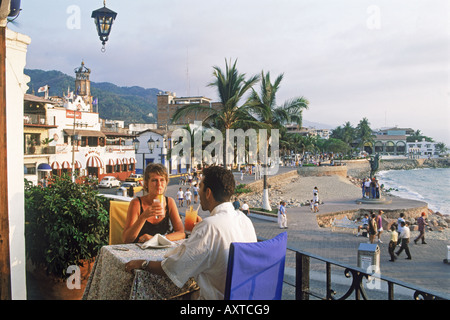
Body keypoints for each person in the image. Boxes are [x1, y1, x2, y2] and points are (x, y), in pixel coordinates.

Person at [125, 165, 257, 300]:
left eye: (200, 187)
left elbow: (174, 267)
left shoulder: (209, 226)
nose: (197, 192)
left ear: (208, 193)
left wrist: (143, 263)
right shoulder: (244, 220)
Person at [122, 163, 185, 244]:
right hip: (139, 251)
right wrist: (143, 217)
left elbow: (181, 233)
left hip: (162, 252)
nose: (159, 184)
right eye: (154, 180)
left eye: (162, 180)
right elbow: (126, 240)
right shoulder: (136, 203)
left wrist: (157, 239)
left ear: (166, 182)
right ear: (146, 184)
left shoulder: (169, 202)